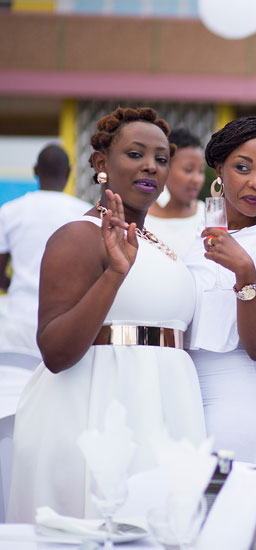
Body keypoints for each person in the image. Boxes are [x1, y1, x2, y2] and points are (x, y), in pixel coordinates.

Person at [8, 107, 205, 522]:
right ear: (102, 164)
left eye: (161, 158)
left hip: (162, 414)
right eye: (135, 154)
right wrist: (115, 274)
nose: (151, 165)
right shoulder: (77, 236)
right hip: (95, 420)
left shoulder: (157, 242)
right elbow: (56, 352)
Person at [185, 116, 256, 465]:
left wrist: (245, 272)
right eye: (243, 167)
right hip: (187, 392)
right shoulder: (200, 231)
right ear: (219, 168)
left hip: (240, 400)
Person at [0, 144, 90, 368]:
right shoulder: (84, 214)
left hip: (17, 323)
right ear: (69, 173)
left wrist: (17, 285)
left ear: (35, 171)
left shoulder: (10, 211)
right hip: (65, 327)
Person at [145, 128, 206, 256]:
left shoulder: (206, 217)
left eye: (201, 171)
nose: (197, 179)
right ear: (164, 168)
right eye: (189, 170)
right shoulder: (141, 218)